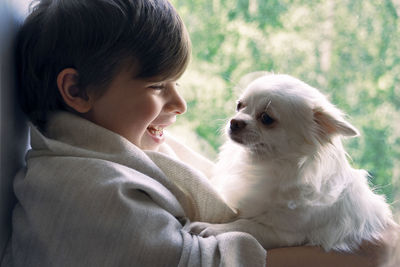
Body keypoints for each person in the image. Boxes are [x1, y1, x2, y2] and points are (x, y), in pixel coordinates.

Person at [8, 0, 388, 266]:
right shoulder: (81, 191)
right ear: (77, 91)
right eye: (158, 86)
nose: (181, 103)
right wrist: (369, 257)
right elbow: (194, 260)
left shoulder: (141, 147)